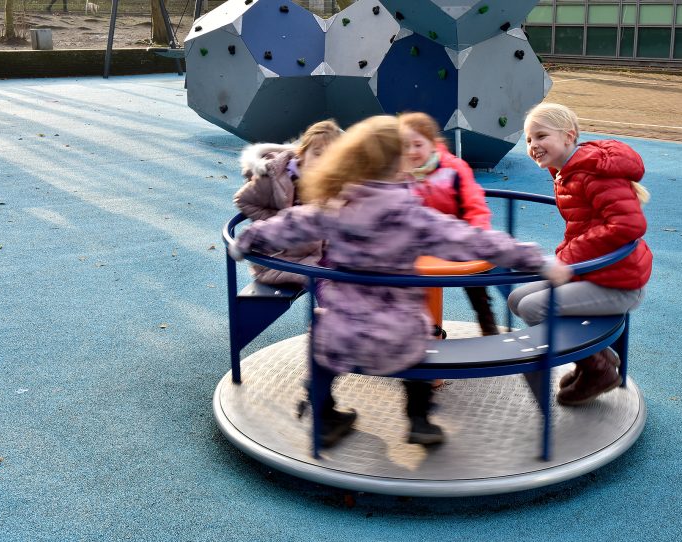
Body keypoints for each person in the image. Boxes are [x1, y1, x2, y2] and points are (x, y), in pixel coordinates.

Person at [229, 115, 570, 447]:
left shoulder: (335, 207)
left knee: (321, 337)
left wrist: (246, 242)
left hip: (344, 329)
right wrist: (534, 260)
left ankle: (322, 414)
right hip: (399, 330)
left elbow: (287, 224)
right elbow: (474, 240)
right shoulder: (412, 215)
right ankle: (419, 418)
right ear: (399, 166)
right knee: (421, 336)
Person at [508, 103, 652, 406]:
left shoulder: (593, 173)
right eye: (529, 139)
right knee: (517, 300)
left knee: (535, 308)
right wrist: (567, 257)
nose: (533, 145)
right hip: (596, 273)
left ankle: (598, 368)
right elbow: (587, 226)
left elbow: (629, 224)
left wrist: (567, 256)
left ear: (568, 136)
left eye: (541, 136)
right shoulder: (569, 172)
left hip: (619, 283)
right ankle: (596, 359)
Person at [399, 112, 499, 336]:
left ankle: (486, 322)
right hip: (417, 242)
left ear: (432, 144)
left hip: (457, 236)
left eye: (418, 144)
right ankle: (415, 326)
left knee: (476, 282)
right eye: (405, 146)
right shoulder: (399, 173)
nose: (412, 151)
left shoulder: (453, 168)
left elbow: (475, 205)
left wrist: (477, 233)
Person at [234, 119, 341, 287]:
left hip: (317, 251)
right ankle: (329, 312)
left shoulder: (329, 180)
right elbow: (244, 200)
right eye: (317, 153)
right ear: (302, 153)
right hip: (283, 256)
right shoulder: (276, 177)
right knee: (326, 279)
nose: (322, 161)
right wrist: (280, 219)